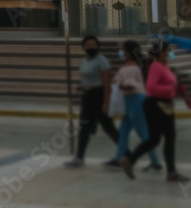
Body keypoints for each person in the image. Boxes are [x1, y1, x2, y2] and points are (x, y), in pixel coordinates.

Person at [120, 41, 191, 182]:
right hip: (155, 106)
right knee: (155, 139)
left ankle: (171, 172)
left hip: (165, 105)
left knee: (168, 138)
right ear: (160, 53)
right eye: (167, 51)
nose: (169, 53)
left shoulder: (164, 66)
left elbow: (172, 84)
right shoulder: (156, 66)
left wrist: (182, 95)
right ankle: (130, 160)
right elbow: (151, 87)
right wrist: (170, 90)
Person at [104, 40, 160, 171]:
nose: (122, 52)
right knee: (123, 131)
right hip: (130, 102)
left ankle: (155, 162)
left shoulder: (132, 66)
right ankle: (118, 158)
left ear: (129, 52)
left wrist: (120, 85)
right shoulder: (131, 64)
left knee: (144, 134)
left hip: (136, 101)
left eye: (123, 50)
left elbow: (131, 85)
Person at [64, 34, 118, 168]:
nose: (91, 47)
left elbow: (107, 83)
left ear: (98, 46)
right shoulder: (85, 60)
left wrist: (106, 102)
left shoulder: (102, 61)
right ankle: (79, 158)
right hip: (87, 97)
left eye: (94, 44)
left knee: (109, 127)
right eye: (88, 45)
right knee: (83, 127)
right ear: (84, 47)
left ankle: (127, 155)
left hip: (99, 96)